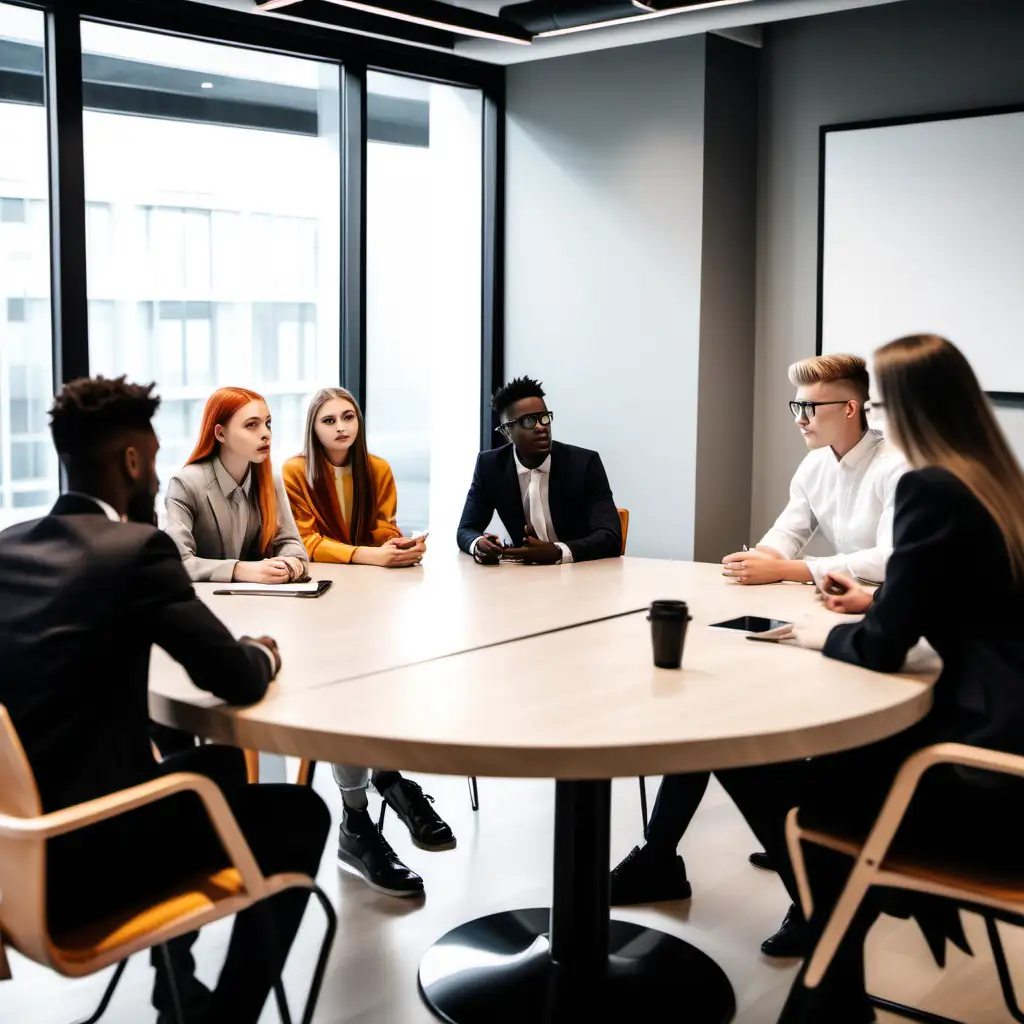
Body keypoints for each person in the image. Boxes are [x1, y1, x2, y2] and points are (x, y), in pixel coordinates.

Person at [0, 376, 330, 1024]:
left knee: (218, 766)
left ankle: (171, 981)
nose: (156, 473)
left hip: (15, 856)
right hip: (88, 863)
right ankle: (224, 1019)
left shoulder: (8, 547)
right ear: (130, 460)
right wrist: (264, 651)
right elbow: (232, 677)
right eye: (151, 457)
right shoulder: (134, 551)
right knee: (301, 814)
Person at [714, 334, 1024, 1022]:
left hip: (978, 774)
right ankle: (837, 945)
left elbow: (883, 650)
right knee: (820, 766)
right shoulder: (995, 479)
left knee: (743, 758)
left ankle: (836, 932)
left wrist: (828, 631)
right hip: (1006, 731)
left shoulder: (925, 484)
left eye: (880, 403)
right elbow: (966, 602)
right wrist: (874, 603)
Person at [610, 354, 907, 957]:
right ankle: (661, 857)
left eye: (808, 407)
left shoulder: (895, 469)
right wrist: (755, 562)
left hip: (879, 626)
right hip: (828, 610)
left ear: (848, 409)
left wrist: (793, 569)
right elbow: (785, 534)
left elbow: (890, 558)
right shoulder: (814, 467)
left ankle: (809, 886)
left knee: (733, 728)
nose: (798, 417)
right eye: (795, 405)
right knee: (710, 707)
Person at [282, 387, 452, 898]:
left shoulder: (376, 467)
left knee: (383, 684)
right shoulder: (294, 472)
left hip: (374, 604)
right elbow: (307, 543)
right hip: (318, 610)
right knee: (348, 695)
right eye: (329, 419)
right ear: (313, 429)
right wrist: (370, 556)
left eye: (349, 416)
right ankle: (365, 811)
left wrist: (395, 545)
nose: (340, 427)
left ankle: (389, 782)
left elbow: (383, 527)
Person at [457, 376, 621, 564]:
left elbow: (611, 537)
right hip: (523, 578)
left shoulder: (584, 463)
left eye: (544, 418)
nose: (541, 427)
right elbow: (466, 529)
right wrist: (479, 544)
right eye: (528, 421)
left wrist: (559, 551)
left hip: (581, 574)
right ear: (507, 431)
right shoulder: (490, 465)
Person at [164, 386, 308, 584]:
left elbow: (292, 545)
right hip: (208, 605)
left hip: (263, 605)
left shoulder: (270, 480)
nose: (266, 434)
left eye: (268, 424)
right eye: (251, 425)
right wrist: (239, 570)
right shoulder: (186, 483)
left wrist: (289, 565)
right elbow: (176, 562)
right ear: (220, 434)